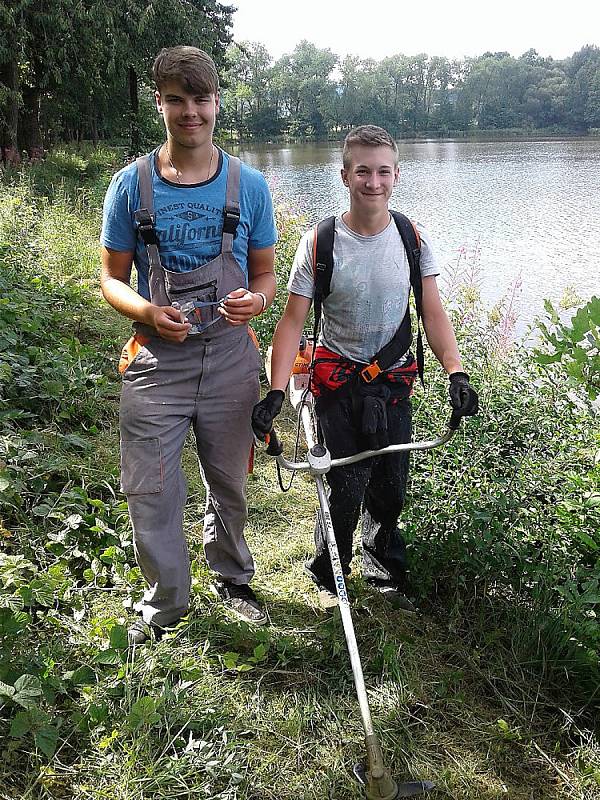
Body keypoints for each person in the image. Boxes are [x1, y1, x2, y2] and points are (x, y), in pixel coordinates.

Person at [252, 125, 477, 609]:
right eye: (361, 171)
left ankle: (383, 568)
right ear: (344, 175)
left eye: (382, 171)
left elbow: (432, 313)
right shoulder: (320, 243)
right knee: (344, 485)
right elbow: (291, 323)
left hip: (394, 383)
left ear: (397, 174)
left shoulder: (412, 239)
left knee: (391, 484)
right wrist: (274, 392)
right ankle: (328, 570)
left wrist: (455, 373)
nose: (372, 182)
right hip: (337, 383)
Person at [100, 46, 277, 642]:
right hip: (156, 360)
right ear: (159, 103)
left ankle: (232, 576)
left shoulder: (248, 186)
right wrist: (149, 310)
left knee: (228, 479)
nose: (190, 112)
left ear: (217, 104)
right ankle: (166, 604)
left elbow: (265, 277)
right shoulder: (131, 185)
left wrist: (256, 301)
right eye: (176, 99)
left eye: (200, 99)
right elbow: (110, 279)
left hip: (231, 359)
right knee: (150, 486)